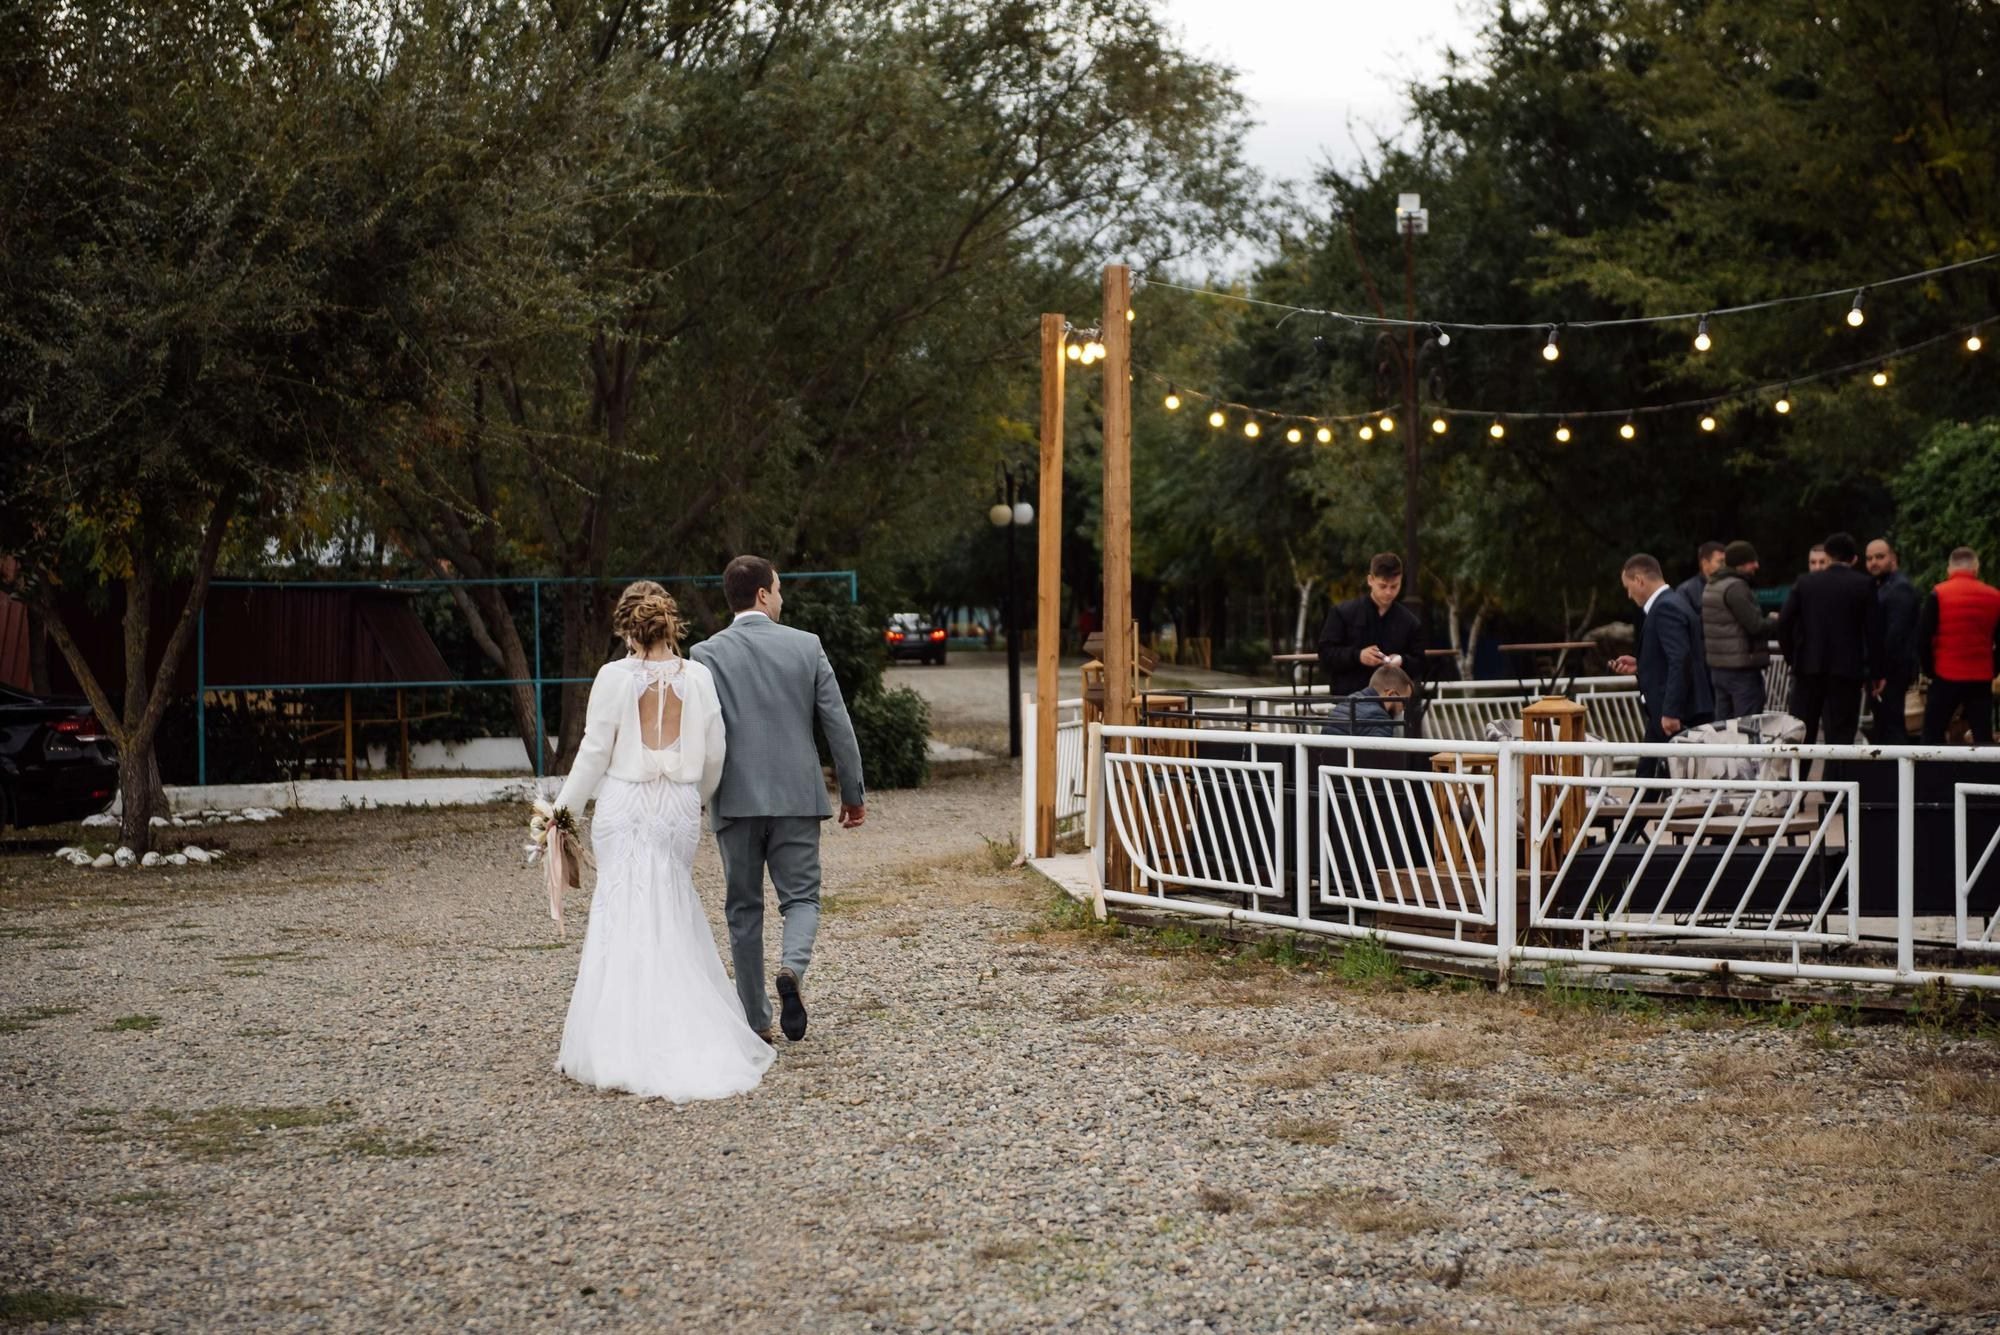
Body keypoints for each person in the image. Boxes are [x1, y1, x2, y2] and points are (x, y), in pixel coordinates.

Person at [547, 581, 773, 1102]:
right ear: (671, 624)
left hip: (626, 804)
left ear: (627, 628)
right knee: (669, 906)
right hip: (676, 805)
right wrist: (697, 797)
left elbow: (594, 752)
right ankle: (685, 1029)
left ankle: (619, 1038)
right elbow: (714, 752)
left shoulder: (612, 677)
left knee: (623, 908)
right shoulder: (698, 677)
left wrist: (563, 813)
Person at [691, 556, 866, 1042]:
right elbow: (838, 724)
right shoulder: (806, 646)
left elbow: (699, 733)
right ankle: (791, 969)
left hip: (735, 799)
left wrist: (697, 793)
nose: (782, 598)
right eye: (780, 589)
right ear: (763, 595)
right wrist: (852, 792)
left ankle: (758, 1022)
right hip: (796, 796)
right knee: (802, 899)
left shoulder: (704, 654)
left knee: (743, 909)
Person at [1610, 554, 1714, 776]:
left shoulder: (1665, 607)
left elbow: (1680, 658)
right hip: (1670, 709)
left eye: (1628, 587)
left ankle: (1641, 810)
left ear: (1639, 580)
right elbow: (1675, 657)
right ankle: (1641, 810)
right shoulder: (1674, 602)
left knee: (1658, 781)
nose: (1629, 595)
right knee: (1651, 779)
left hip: (1676, 713)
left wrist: (1671, 711)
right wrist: (1642, 665)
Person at [1777, 531, 1883, 745]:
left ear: (1828, 555)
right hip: (1846, 672)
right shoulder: (1864, 585)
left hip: (1807, 669)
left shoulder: (1805, 583)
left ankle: (1799, 778)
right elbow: (1874, 632)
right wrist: (1875, 672)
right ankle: (1837, 776)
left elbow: (1784, 623)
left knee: (1802, 734)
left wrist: (1793, 658)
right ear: (1854, 559)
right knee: (1840, 736)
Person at [1917, 547, 2000, 745]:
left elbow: (1922, 638)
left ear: (1949, 569)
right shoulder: (1995, 597)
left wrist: (1930, 670)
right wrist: (1993, 669)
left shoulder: (1938, 594)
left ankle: (1934, 775)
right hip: (1980, 677)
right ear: (1976, 568)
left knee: (1932, 735)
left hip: (1946, 674)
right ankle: (1983, 776)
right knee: (1982, 738)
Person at [1317, 552, 1425, 697]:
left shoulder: (1410, 622)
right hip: (1349, 701)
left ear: (1401, 581)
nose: (1388, 592)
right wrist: (1358, 656)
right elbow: (1325, 654)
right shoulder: (1342, 613)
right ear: (1370, 580)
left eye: (1394, 586)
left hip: (1392, 705)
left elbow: (1420, 662)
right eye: (1383, 586)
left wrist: (1402, 661)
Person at [1703, 540, 1774, 720]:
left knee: (1723, 727)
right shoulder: (1736, 587)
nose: (1756, 565)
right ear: (1740, 563)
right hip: (1740, 670)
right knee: (1746, 727)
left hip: (1718, 668)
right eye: (1752, 561)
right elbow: (1755, 625)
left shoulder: (1712, 584)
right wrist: (1774, 621)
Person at [1865, 538, 1920, 743]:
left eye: (1879, 557)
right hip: (1884, 672)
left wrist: (1882, 673)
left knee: (1892, 726)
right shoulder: (1879, 586)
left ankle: (1897, 774)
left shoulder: (1899, 589)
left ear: (1893, 559)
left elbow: (1896, 636)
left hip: (1892, 672)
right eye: (1869, 558)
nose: (1873, 562)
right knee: (1884, 726)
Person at [1323, 663, 1413, 738]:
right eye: (1404, 701)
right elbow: (1381, 758)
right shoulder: (1380, 719)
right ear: (1390, 694)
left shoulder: (1349, 701)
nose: (1404, 708)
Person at [1676, 541, 1727, 613]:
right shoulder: (1686, 590)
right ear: (1705, 563)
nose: (1725, 566)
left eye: (1726, 562)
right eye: (1720, 561)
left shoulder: (1731, 585)